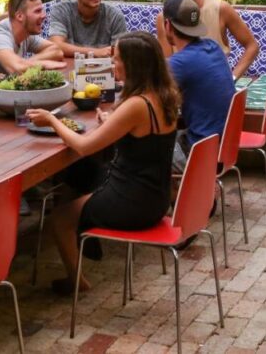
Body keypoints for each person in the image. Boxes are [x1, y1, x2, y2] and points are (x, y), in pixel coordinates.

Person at [27, 31, 179, 295]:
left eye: (117, 59)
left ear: (133, 65)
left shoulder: (135, 105)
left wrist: (53, 120)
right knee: (80, 176)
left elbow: (84, 147)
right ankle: (87, 237)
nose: (113, 65)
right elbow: (144, 137)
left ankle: (77, 282)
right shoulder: (165, 96)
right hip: (156, 198)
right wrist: (112, 124)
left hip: (133, 203)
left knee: (60, 218)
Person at [160, 0, 237, 172]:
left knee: (139, 146)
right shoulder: (213, 47)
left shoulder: (180, 62)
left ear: (168, 26)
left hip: (200, 153)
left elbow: (144, 94)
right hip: (221, 147)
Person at [155, 0, 260, 78]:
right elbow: (167, 62)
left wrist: (233, 77)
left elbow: (252, 46)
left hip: (217, 80)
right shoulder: (164, 17)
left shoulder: (221, 9)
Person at [48, 0, 127, 58]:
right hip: (67, 70)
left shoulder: (114, 16)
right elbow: (56, 46)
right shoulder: (62, 10)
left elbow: (119, 54)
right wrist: (95, 52)